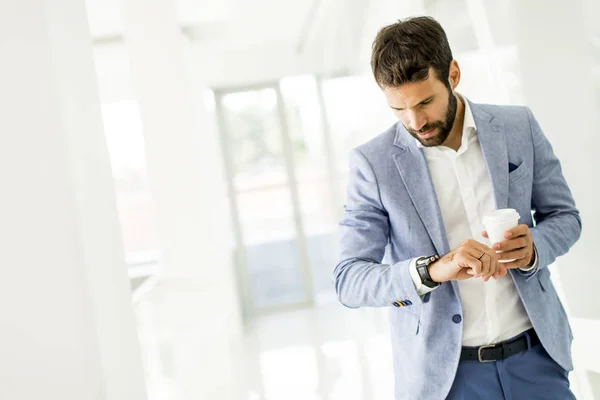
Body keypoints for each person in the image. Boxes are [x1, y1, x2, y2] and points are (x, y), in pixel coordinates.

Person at [333, 16, 581, 400]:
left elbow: (565, 217)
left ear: (453, 73)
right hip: (447, 380)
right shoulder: (373, 164)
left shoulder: (518, 126)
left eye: (425, 102)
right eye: (398, 109)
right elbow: (349, 279)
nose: (415, 121)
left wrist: (534, 246)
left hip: (537, 360)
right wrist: (433, 270)